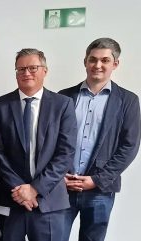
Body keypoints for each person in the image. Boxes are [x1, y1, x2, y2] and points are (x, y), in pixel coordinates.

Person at [0, 48, 77, 241]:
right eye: (20, 69)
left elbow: (66, 153)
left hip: (49, 201)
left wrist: (35, 188)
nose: (26, 73)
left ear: (45, 70)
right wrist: (20, 189)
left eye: (32, 68)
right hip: (11, 199)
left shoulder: (63, 105)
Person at [59, 38, 141, 241]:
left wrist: (97, 180)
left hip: (100, 191)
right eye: (93, 59)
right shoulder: (64, 97)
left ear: (115, 64)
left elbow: (129, 146)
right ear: (85, 61)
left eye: (105, 60)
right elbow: (51, 142)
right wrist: (59, 175)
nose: (98, 65)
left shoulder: (128, 101)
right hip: (62, 187)